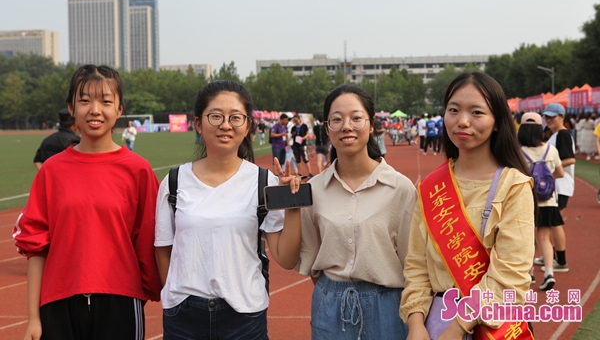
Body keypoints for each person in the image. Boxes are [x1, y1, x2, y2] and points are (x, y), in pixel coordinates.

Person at [14, 64, 162, 340]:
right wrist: (34, 318)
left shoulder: (138, 171)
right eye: (84, 101)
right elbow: (36, 247)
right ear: (71, 108)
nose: (95, 110)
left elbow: (149, 243)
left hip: (120, 302)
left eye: (106, 101)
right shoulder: (52, 171)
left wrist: (139, 295)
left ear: (119, 109)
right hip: (58, 303)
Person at [155, 80, 302, 340]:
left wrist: (292, 204)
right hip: (184, 318)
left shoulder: (264, 182)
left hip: (244, 317)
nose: (225, 124)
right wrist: (174, 296)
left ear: (247, 126)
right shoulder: (175, 181)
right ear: (198, 124)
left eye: (235, 117)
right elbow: (163, 247)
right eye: (216, 116)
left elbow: (286, 258)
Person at [401, 72, 535, 339]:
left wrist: (457, 329)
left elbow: (511, 274)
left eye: (476, 112)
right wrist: (416, 325)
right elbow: (416, 265)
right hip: (435, 323)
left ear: (497, 122)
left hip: (491, 326)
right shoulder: (430, 187)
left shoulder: (514, 186)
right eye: (454, 110)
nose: (462, 121)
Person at [294, 84, 416, 339]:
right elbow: (313, 255)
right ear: (327, 128)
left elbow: (412, 262)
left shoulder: (400, 188)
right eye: (336, 119)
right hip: (329, 307)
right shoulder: (314, 189)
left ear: (371, 125)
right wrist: (333, 294)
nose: (346, 126)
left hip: (387, 307)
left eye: (356, 118)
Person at [518, 112, 564, 290]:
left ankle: (529, 274)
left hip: (526, 201)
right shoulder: (551, 150)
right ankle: (549, 273)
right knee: (545, 238)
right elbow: (560, 173)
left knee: (528, 239)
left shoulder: (518, 151)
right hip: (549, 201)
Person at [535, 102, 575, 273]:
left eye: (553, 116)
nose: (549, 119)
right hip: (554, 186)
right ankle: (549, 253)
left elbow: (570, 159)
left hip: (560, 185)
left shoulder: (563, 135)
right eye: (547, 116)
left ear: (562, 117)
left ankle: (562, 261)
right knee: (550, 223)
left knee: (555, 223)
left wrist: (545, 170)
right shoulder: (554, 135)